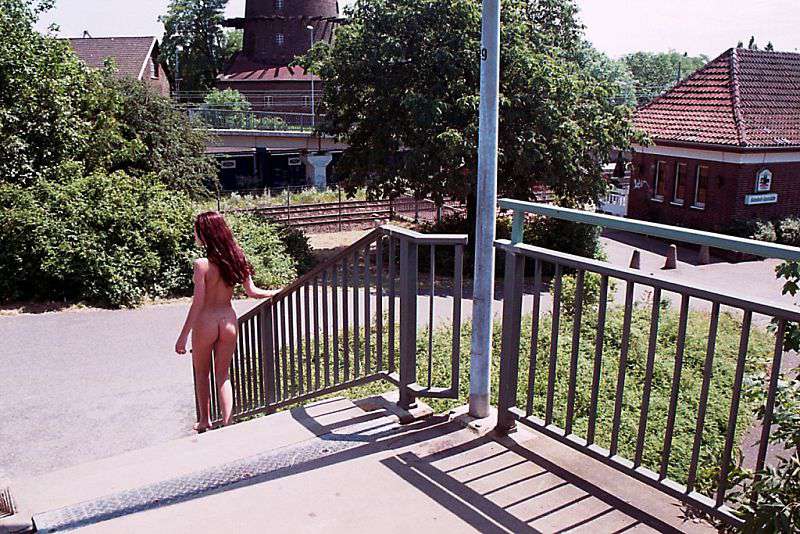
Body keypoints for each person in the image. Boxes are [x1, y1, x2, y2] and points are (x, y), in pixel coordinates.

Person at [175, 211, 275, 432]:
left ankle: (205, 420)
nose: (194, 234)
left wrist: (182, 337)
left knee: (202, 373)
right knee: (223, 375)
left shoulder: (201, 265)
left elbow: (197, 304)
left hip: (206, 323)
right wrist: (275, 293)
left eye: (196, 231)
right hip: (228, 320)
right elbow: (252, 291)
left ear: (206, 233)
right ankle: (229, 424)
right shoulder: (237, 258)